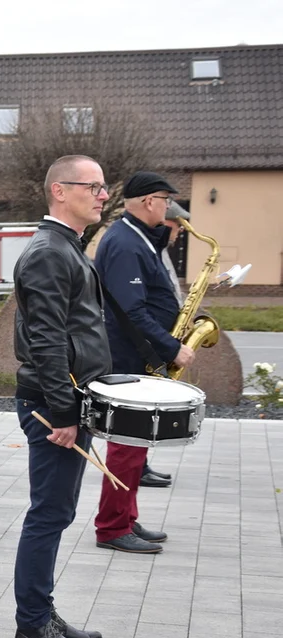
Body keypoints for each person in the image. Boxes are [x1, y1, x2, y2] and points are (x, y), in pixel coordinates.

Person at [11, 154, 111, 638]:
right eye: (92, 186)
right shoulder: (51, 252)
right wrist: (65, 413)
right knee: (48, 514)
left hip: (67, 400)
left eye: (103, 186)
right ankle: (32, 626)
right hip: (55, 406)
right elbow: (47, 340)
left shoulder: (65, 247)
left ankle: (41, 613)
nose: (102, 194)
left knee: (58, 511)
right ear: (59, 191)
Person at [92, 171, 194, 553]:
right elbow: (131, 310)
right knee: (126, 446)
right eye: (166, 200)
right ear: (150, 201)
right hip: (128, 358)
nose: (169, 207)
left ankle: (126, 518)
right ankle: (112, 527)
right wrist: (170, 347)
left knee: (136, 447)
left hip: (137, 356)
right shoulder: (124, 243)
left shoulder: (136, 239)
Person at [138, 201, 191, 489]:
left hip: (159, 338)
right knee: (137, 417)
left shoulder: (159, 250)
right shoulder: (138, 247)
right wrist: (168, 345)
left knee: (147, 413)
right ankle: (137, 468)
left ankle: (141, 464)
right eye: (177, 226)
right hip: (147, 345)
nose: (179, 233)